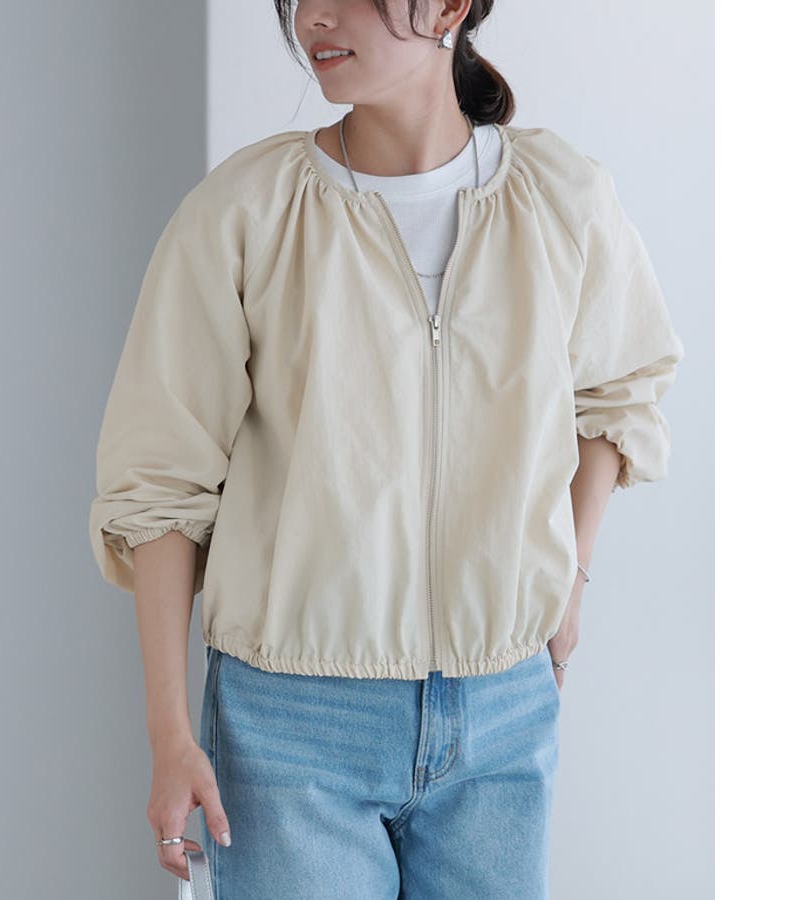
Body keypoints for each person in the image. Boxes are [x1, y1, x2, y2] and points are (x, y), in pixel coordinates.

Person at [88, 1, 685, 896]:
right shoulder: (247, 211)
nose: (314, 18)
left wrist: (570, 579)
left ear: (447, 7)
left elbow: (617, 388)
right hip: (291, 722)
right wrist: (169, 734)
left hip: (503, 710)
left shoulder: (561, 198)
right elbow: (160, 484)